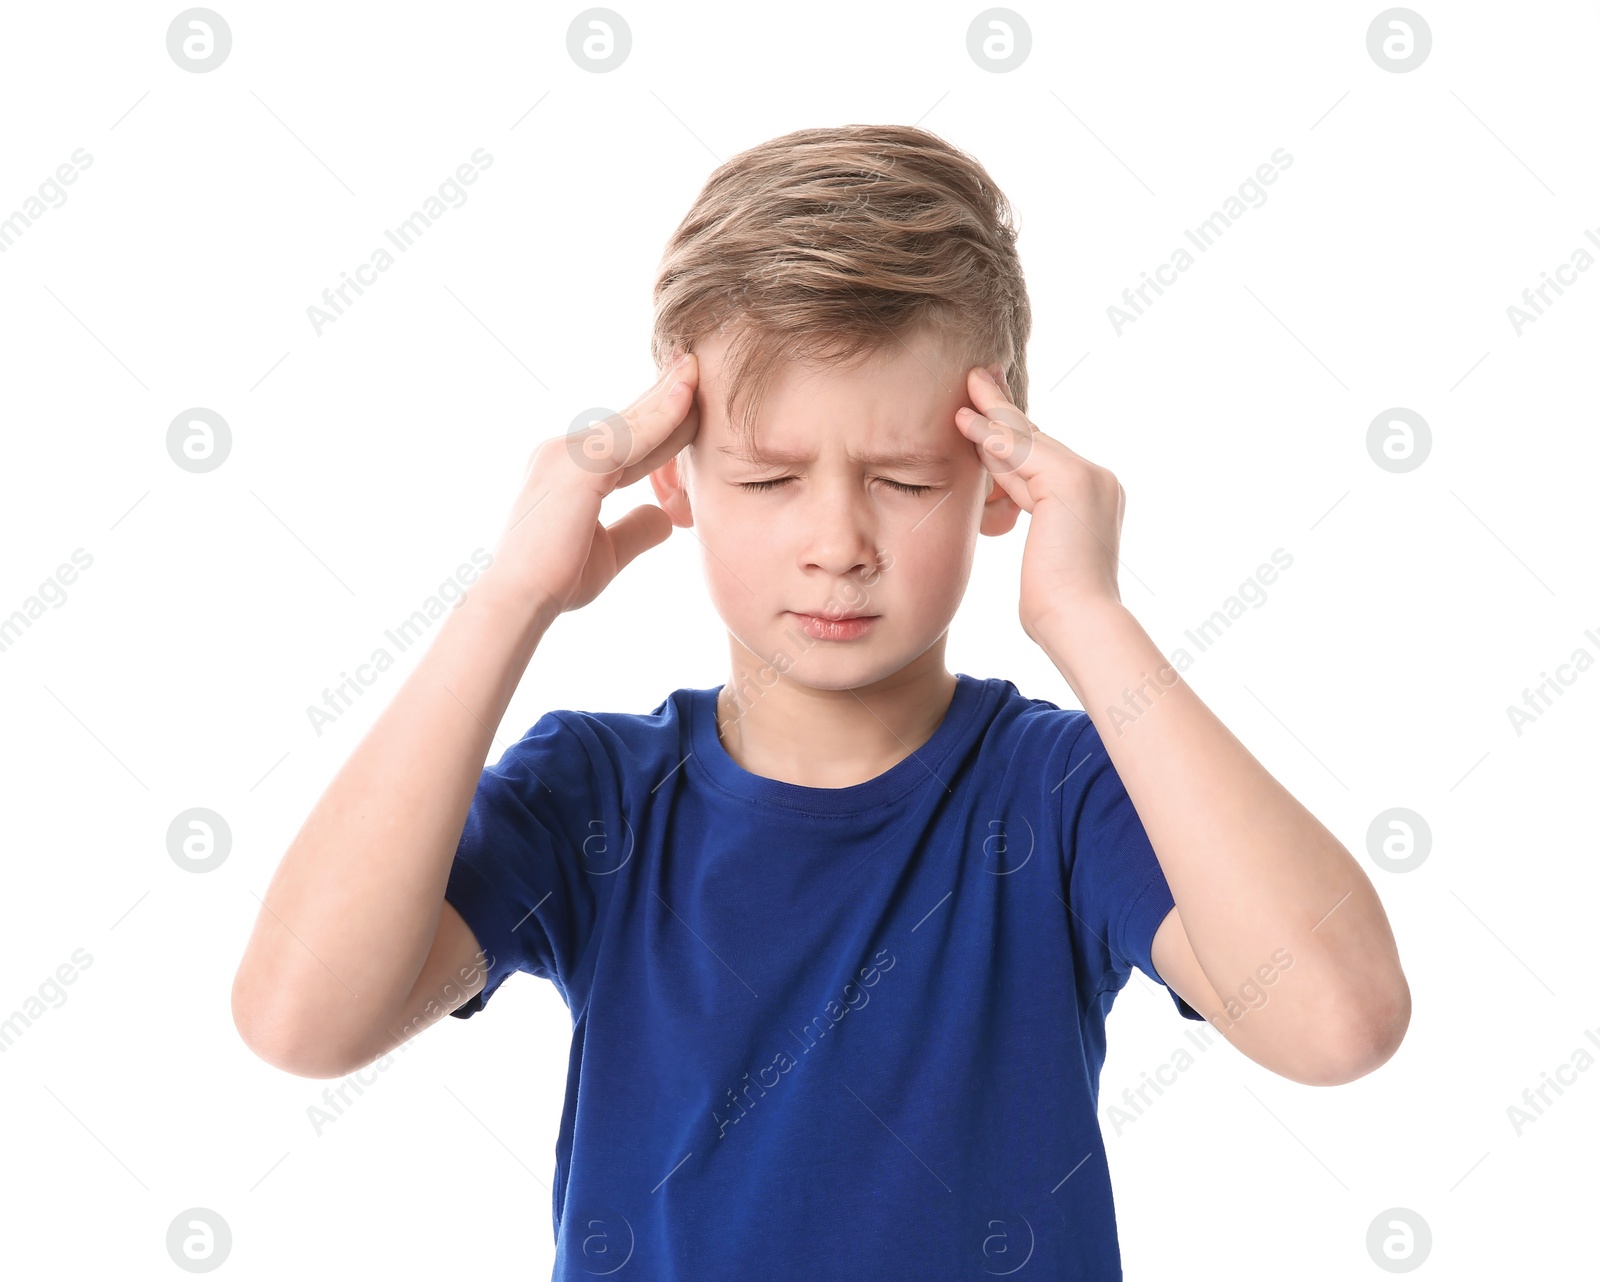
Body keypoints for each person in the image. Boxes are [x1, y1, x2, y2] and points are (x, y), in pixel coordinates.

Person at [231, 124, 1410, 1280]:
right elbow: (302, 1021)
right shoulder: (594, 799)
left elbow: (1336, 1022)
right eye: (767, 478)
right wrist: (508, 599)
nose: (837, 544)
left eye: (903, 479)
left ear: (1000, 484)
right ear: (673, 474)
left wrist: (1089, 620)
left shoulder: (1061, 795)